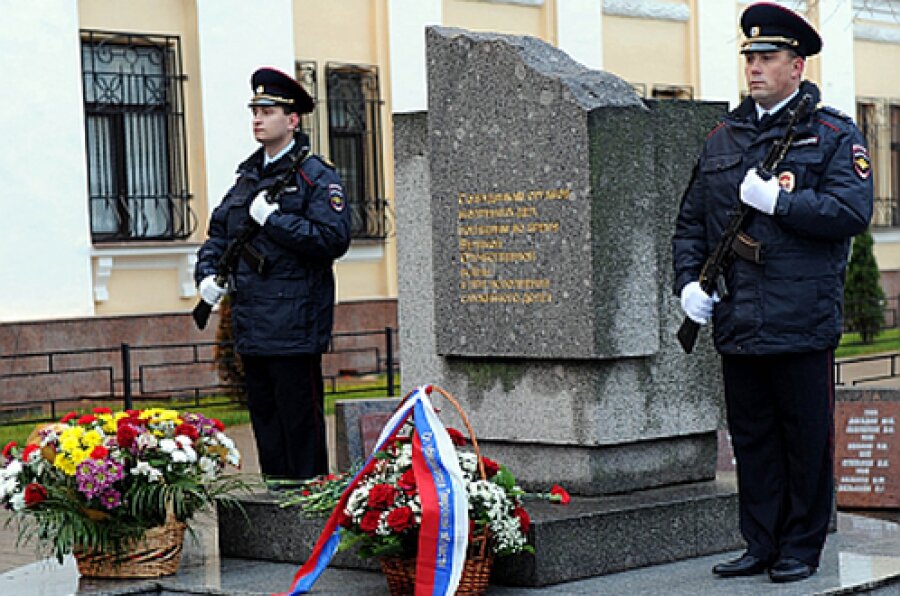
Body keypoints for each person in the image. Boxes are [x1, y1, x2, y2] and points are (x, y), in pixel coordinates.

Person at [672, 2, 873, 584]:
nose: (755, 68)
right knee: (753, 440)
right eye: (751, 58)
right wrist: (687, 284)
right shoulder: (722, 139)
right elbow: (690, 224)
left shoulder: (832, 134)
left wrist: (781, 203)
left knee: (804, 440)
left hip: (802, 317)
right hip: (738, 317)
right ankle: (759, 542)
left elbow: (850, 211)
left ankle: (801, 546)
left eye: (768, 57)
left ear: (797, 66)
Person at [195, 67, 351, 487]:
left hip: (294, 324)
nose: (258, 119)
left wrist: (275, 220)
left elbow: (332, 239)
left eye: (268, 110)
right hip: (252, 322)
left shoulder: (315, 176)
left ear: (293, 119)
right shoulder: (248, 177)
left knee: (299, 427)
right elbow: (219, 234)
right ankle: (277, 504)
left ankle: (307, 511)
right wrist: (207, 274)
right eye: (255, 111)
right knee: (265, 423)